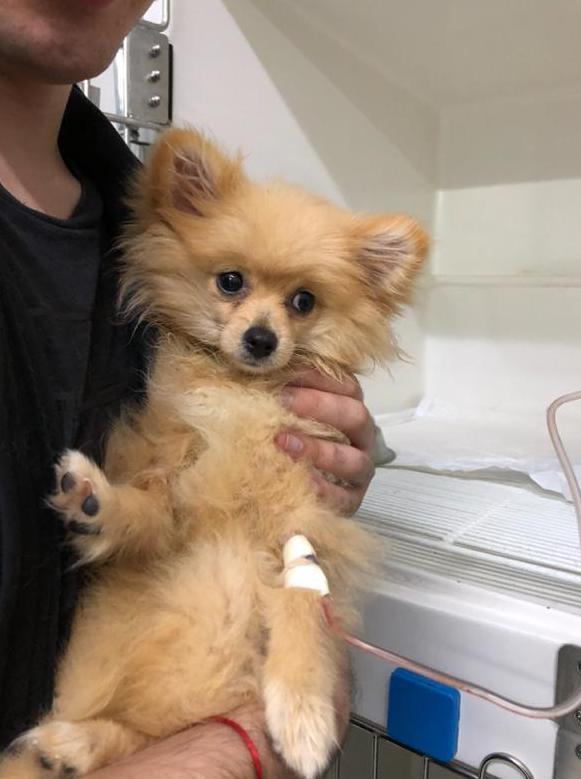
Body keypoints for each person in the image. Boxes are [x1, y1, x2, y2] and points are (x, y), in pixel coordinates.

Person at [0, 1, 376, 775]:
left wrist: (325, 480)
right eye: (232, 283)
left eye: (299, 301)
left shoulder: (134, 221)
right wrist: (237, 743)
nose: (265, 324)